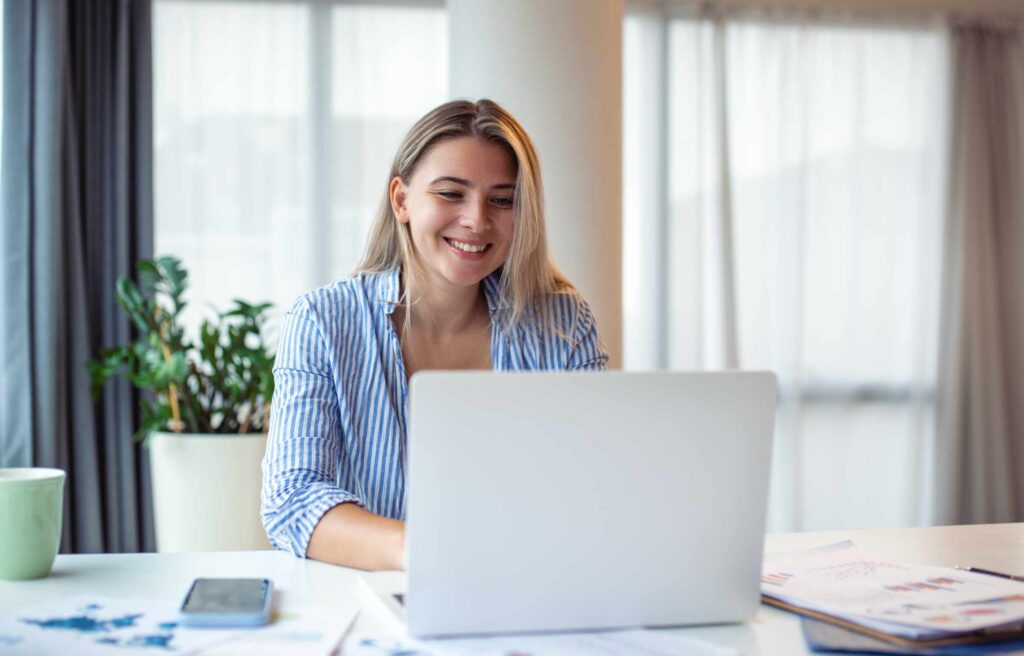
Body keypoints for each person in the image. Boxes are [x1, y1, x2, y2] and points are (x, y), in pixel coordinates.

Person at [261, 99, 609, 571]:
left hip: (533, 589)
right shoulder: (323, 322)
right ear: (402, 200)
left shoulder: (563, 326)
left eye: (502, 200)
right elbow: (292, 500)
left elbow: (596, 486)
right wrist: (426, 553)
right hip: (376, 600)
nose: (477, 220)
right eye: (451, 193)